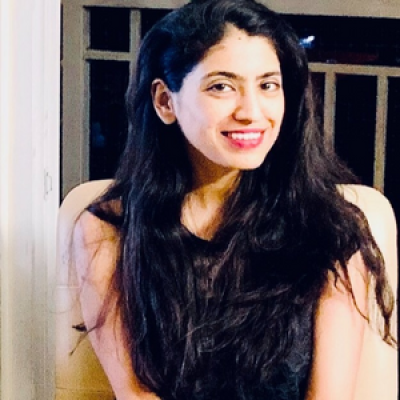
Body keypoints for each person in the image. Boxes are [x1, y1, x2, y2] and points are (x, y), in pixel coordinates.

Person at [72, 1, 397, 399]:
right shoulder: (109, 230)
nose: (251, 112)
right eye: (221, 86)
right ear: (165, 102)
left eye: (268, 85)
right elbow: (136, 394)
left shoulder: (330, 230)